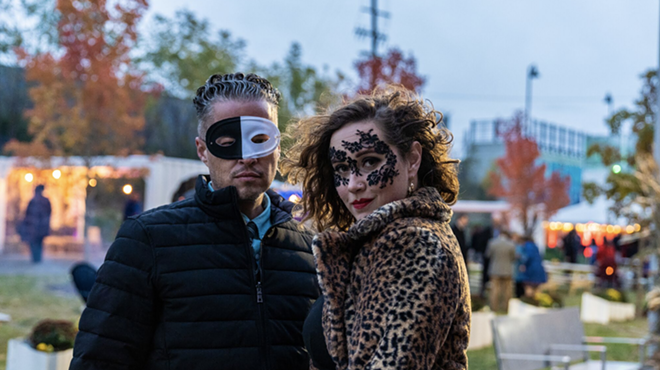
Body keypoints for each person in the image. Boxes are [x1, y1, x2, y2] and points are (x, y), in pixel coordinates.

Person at [70, 73, 319, 370]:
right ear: (203, 150)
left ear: (278, 146)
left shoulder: (311, 247)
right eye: (227, 141)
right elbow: (100, 360)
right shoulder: (147, 240)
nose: (247, 157)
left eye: (260, 139)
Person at [283, 86, 470, 369]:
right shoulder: (379, 240)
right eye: (342, 169)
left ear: (413, 159)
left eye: (370, 162)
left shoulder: (416, 244)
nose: (354, 184)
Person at [18, 184, 51, 263]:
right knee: (36, 243)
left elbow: (47, 213)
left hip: (36, 227)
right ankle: (37, 258)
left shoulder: (37, 201)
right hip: (37, 227)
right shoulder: (38, 201)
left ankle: (37, 258)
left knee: (36, 242)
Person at [485, 230, 516, 312]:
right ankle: (505, 308)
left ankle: (494, 308)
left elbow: (488, 255)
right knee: (506, 291)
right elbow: (513, 257)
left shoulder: (492, 243)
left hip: (495, 270)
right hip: (507, 270)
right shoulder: (511, 244)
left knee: (494, 290)